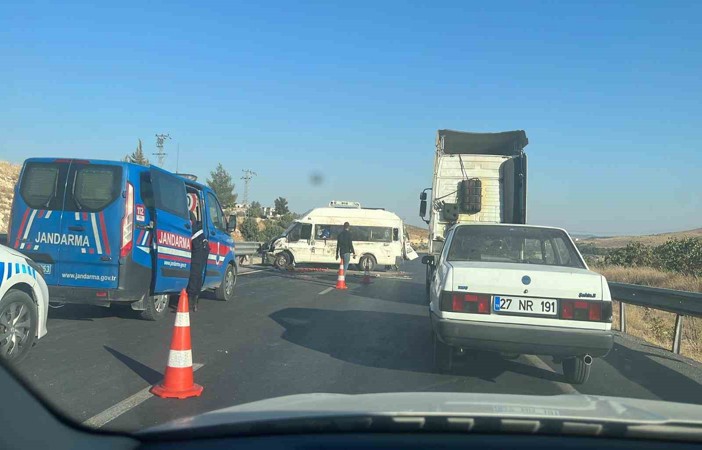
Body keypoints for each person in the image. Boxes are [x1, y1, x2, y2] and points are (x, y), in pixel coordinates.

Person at [187, 210, 209, 312]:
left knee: (194, 274)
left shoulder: (192, 228)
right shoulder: (197, 227)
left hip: (199, 247)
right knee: (198, 274)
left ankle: (191, 301)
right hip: (203, 247)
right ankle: (194, 300)